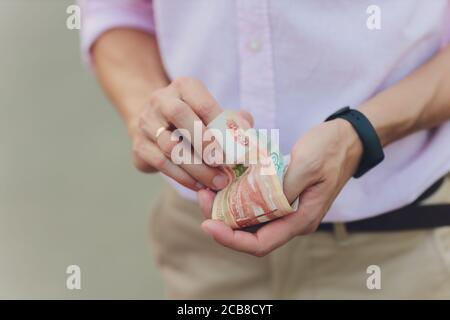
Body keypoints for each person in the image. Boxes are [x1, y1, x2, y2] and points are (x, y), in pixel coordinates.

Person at [79, 0, 450, 299]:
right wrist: (148, 116)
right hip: (202, 245)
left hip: (397, 249)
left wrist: (361, 134)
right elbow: (118, 9)